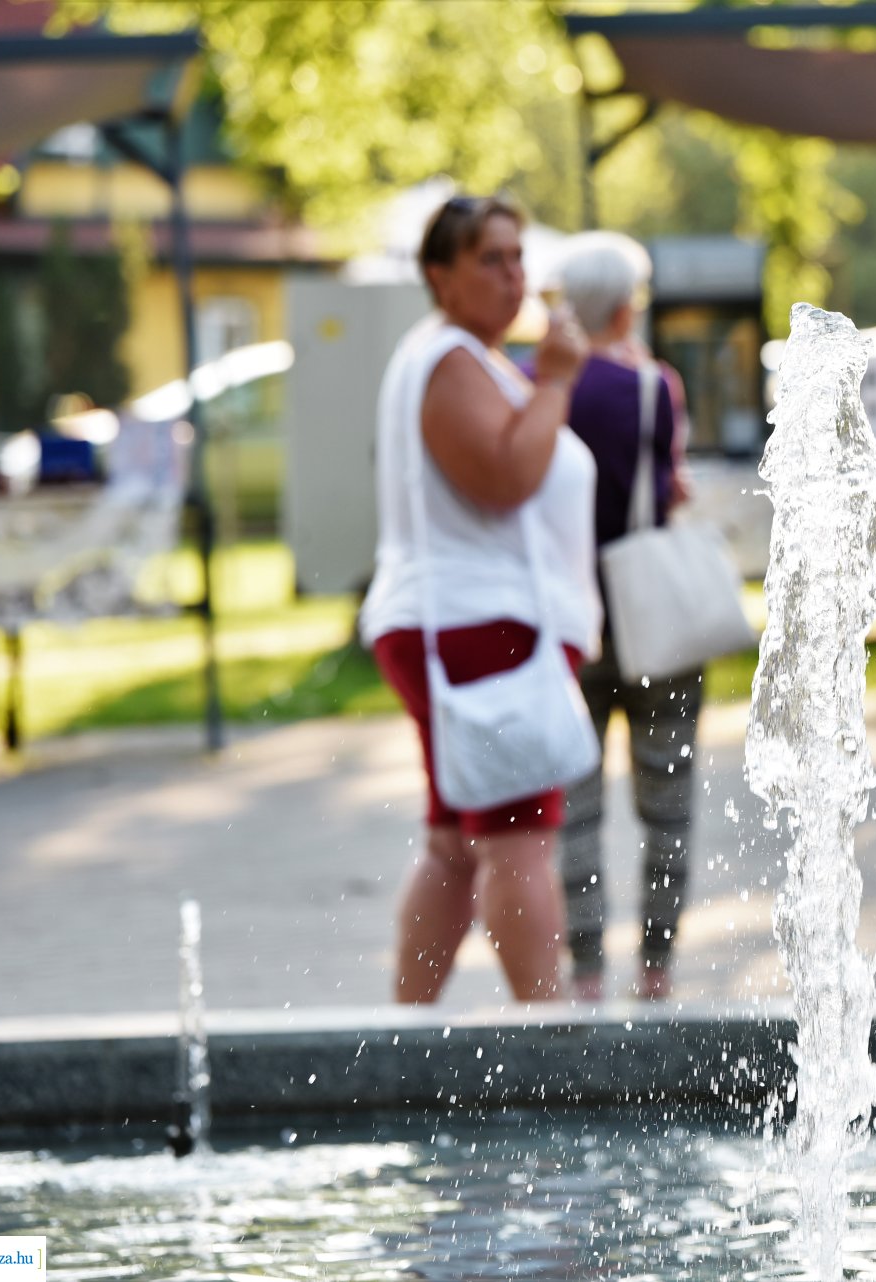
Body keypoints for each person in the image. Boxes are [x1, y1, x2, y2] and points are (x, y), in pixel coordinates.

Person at [358, 195, 600, 1004]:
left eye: (518, 258)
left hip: (459, 620)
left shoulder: (459, 356)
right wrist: (557, 383)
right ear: (441, 275)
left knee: (453, 843)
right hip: (481, 627)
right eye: (490, 260)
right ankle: (549, 1036)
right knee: (518, 840)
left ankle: (406, 1036)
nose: (513, 276)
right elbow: (505, 478)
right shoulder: (452, 358)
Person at [552, 231, 701, 1003]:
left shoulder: (533, 384)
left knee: (573, 812)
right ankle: (655, 969)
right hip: (656, 621)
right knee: (666, 806)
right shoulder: (651, 388)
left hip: (570, 624)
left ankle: (583, 974)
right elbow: (664, 485)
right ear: (623, 305)